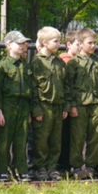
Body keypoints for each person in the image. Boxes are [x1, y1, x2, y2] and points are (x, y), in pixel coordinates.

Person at [65, 28, 98, 179]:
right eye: (89, 43)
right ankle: (76, 166)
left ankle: (92, 166)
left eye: (95, 43)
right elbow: (68, 86)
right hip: (79, 105)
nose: (93, 46)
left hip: (96, 104)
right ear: (80, 43)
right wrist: (72, 105)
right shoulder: (74, 63)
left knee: (95, 136)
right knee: (77, 138)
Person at [0, 30, 34, 182]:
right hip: (8, 105)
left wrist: (29, 112)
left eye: (24, 43)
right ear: (9, 45)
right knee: (5, 140)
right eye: (19, 43)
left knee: (21, 139)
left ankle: (21, 169)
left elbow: (30, 88)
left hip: (23, 106)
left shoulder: (25, 65)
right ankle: (2, 170)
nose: (23, 46)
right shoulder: (3, 66)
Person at [30, 26, 67, 182]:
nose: (59, 44)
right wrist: (36, 109)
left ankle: (52, 168)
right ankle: (40, 168)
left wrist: (65, 106)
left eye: (59, 41)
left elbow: (65, 86)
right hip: (44, 106)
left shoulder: (59, 62)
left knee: (55, 140)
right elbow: (33, 88)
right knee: (41, 141)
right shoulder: (37, 62)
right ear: (44, 42)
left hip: (58, 106)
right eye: (55, 41)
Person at [58, 30, 80, 171]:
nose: (80, 47)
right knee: (64, 136)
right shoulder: (65, 61)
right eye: (78, 44)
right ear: (69, 44)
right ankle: (63, 165)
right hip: (67, 105)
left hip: (77, 104)